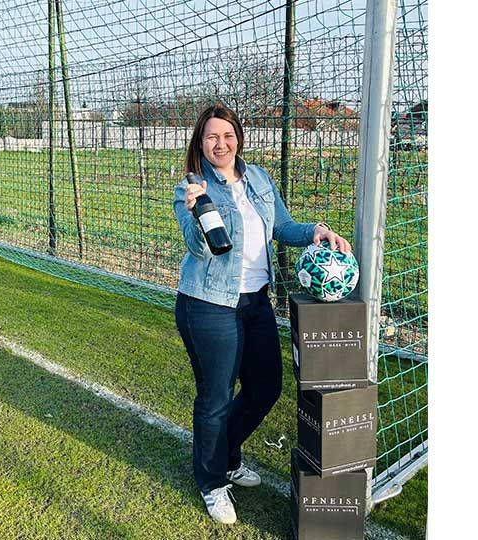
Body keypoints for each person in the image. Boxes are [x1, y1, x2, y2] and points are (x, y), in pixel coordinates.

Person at [172, 102, 351, 525]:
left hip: (256, 303)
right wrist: (197, 212)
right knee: (215, 398)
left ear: (238, 137)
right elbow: (199, 248)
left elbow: (282, 228)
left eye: (228, 134)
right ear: (201, 142)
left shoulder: (258, 179)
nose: (221, 143)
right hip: (209, 305)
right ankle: (212, 482)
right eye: (212, 136)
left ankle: (226, 456)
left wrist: (316, 231)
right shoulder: (191, 188)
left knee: (265, 387)